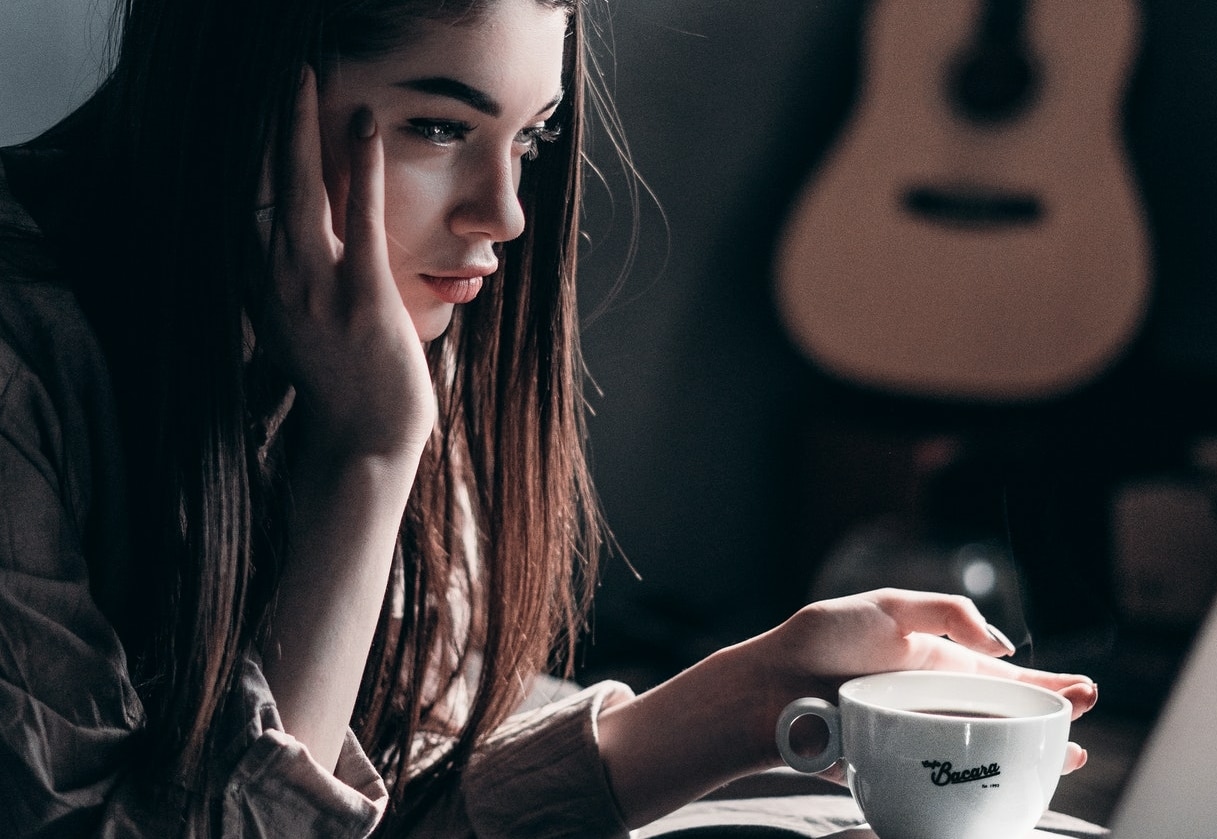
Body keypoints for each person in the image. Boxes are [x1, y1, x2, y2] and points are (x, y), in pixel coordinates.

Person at [0, 0, 1098, 836]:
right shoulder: (28, 367)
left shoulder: (366, 334)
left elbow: (380, 795)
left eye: (528, 138)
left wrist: (750, 692)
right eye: (438, 125)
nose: (506, 213)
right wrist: (371, 457)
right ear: (236, 90)